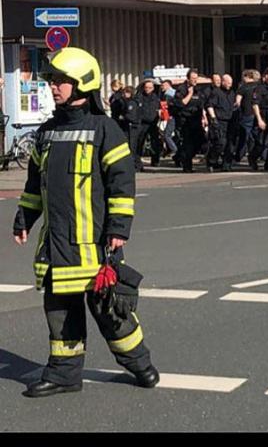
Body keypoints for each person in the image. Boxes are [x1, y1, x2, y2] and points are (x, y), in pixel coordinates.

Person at [12, 47, 158, 398]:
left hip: (94, 243)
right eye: (52, 80)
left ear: (82, 84)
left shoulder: (105, 129)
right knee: (60, 311)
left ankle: (140, 364)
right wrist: (24, 219)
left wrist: (118, 229)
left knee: (110, 310)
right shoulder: (46, 133)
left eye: (61, 81)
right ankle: (64, 375)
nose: (53, 86)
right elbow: (34, 185)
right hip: (56, 245)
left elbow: (122, 183)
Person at [174, 69, 206, 173]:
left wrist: (204, 117)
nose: (195, 80)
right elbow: (181, 103)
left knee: (201, 141)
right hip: (185, 120)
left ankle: (180, 156)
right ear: (188, 79)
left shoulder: (198, 89)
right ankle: (187, 166)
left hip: (196, 119)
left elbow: (201, 105)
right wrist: (190, 93)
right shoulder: (181, 89)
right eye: (193, 78)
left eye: (196, 78)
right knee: (188, 144)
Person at [206, 73, 237, 172]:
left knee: (230, 145)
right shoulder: (216, 92)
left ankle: (226, 165)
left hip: (231, 121)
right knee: (221, 143)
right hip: (220, 121)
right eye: (228, 83)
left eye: (231, 83)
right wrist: (213, 118)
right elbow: (209, 105)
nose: (230, 85)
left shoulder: (232, 93)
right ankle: (211, 161)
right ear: (223, 82)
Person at [234, 69, 260, 164]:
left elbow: (238, 101)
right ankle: (253, 156)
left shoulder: (243, 87)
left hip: (246, 114)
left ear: (247, 77)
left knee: (243, 136)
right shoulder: (259, 86)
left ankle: (238, 156)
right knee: (255, 136)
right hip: (257, 114)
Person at [135, 79, 161, 169]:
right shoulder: (139, 97)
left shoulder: (156, 98)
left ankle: (155, 160)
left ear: (153, 88)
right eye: (146, 87)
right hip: (142, 123)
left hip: (153, 123)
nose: (148, 89)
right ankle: (137, 161)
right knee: (139, 142)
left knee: (155, 142)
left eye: (150, 88)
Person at [120, 86, 143, 172]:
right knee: (133, 146)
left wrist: (123, 117)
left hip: (132, 127)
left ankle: (135, 165)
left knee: (132, 146)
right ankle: (137, 164)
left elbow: (131, 116)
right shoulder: (130, 102)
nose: (124, 94)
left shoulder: (131, 103)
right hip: (134, 127)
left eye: (126, 92)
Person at [158, 79, 179, 160]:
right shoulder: (174, 92)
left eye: (163, 85)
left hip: (171, 117)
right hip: (174, 117)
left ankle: (174, 149)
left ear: (168, 85)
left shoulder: (168, 94)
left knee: (167, 135)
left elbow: (167, 107)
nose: (161, 87)